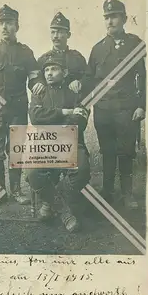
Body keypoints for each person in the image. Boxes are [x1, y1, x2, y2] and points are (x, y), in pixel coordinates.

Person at [0, 4, 45, 205]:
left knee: (16, 151)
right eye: (2, 23)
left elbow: (34, 77)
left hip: (17, 111)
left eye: (9, 23)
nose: (5, 27)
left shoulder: (25, 52)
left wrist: (38, 84)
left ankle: (16, 190)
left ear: (17, 26)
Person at [88, 0, 146, 208]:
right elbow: (90, 80)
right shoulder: (97, 49)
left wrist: (142, 105)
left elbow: (142, 76)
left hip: (126, 109)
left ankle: (128, 194)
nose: (110, 21)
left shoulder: (134, 44)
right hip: (103, 110)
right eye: (106, 17)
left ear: (124, 19)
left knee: (126, 150)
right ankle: (108, 190)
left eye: (114, 16)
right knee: (107, 151)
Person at [27, 54, 91, 233]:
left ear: (65, 72)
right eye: (46, 70)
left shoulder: (74, 92)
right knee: (33, 173)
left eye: (53, 69)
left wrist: (53, 118)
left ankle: (50, 202)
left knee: (82, 170)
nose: (49, 73)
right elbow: (35, 118)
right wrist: (64, 112)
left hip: (70, 141)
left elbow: (80, 120)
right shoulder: (39, 93)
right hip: (46, 143)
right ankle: (65, 212)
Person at [38, 12, 88, 95]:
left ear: (68, 35)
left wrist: (80, 82)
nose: (55, 36)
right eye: (53, 32)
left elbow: (87, 78)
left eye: (60, 32)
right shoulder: (43, 60)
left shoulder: (77, 58)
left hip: (73, 104)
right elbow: (38, 81)